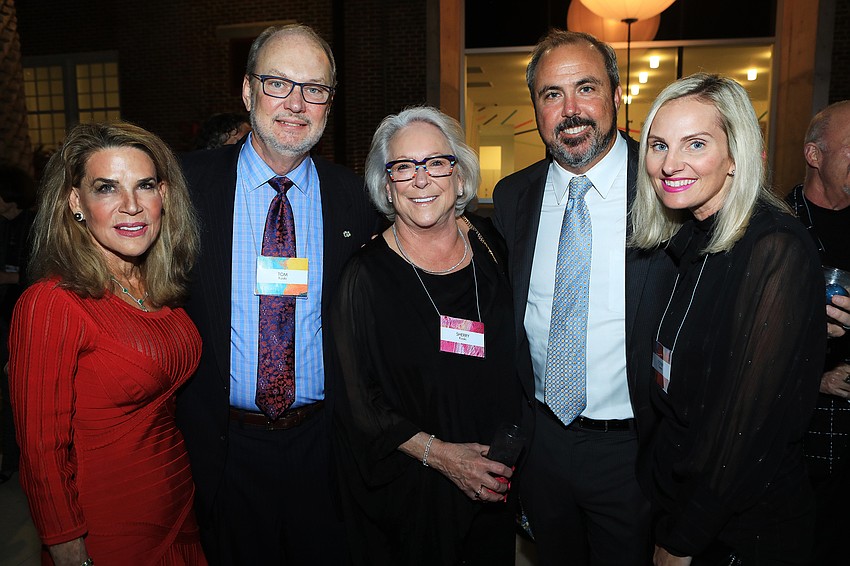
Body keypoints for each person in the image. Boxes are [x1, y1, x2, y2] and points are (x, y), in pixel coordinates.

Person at [176, 24, 378, 565]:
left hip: (324, 448)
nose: (296, 103)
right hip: (221, 449)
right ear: (247, 92)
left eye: (315, 89)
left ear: (329, 106)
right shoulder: (184, 187)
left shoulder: (356, 200)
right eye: (278, 83)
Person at [492, 29, 675, 565]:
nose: (571, 110)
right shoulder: (513, 196)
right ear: (535, 109)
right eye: (552, 95)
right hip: (543, 443)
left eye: (586, 88)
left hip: (633, 451)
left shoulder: (665, 187)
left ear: (615, 95)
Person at [630, 73, 825, 565]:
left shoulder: (773, 247)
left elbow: (744, 431)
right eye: (658, 145)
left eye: (695, 144)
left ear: (736, 154)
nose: (669, 164)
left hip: (741, 531)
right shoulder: (692, 238)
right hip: (681, 502)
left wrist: (681, 540)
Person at [330, 106, 524, 565]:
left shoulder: (494, 245)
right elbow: (358, 403)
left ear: (459, 176)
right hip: (412, 492)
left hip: (495, 482)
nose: (421, 179)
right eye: (403, 167)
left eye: (436, 163)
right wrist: (442, 456)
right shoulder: (364, 276)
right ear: (386, 185)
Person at [8, 122, 206, 565]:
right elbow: (41, 451)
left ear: (165, 196)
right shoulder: (51, 304)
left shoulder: (158, 290)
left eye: (145, 186)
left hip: (179, 510)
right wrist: (68, 548)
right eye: (107, 188)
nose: (132, 206)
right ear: (76, 202)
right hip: (108, 530)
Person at [786, 99, 850, 565]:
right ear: (815, 155)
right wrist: (817, 377)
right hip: (804, 436)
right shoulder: (773, 226)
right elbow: (735, 347)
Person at [0, 165, 36, 485]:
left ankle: (18, 459)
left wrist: (9, 277)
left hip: (22, 318)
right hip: (3, 314)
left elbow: (35, 277)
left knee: (18, 395)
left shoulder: (35, 225)